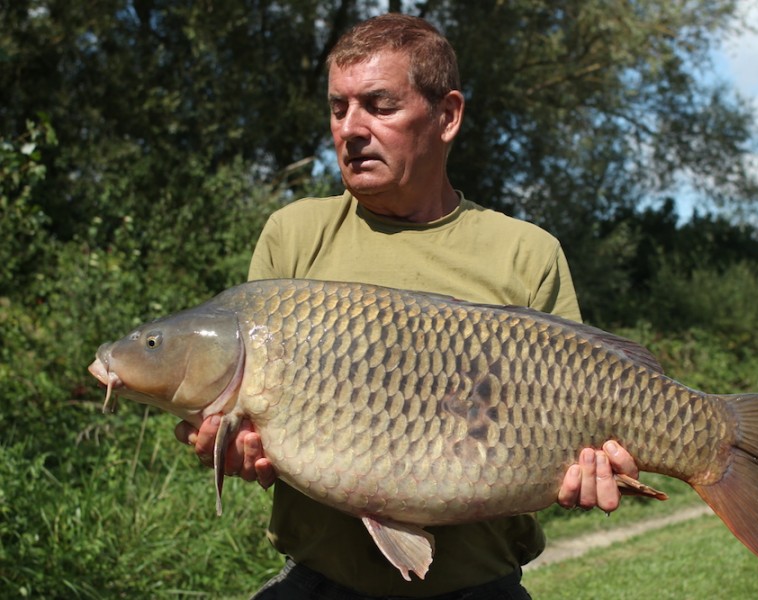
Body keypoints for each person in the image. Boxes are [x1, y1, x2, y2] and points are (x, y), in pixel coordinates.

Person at [175, 13, 639, 599]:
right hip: (322, 579)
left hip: (478, 584)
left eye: (379, 105)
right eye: (338, 108)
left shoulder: (526, 253)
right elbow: (250, 420)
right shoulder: (293, 236)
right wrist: (231, 441)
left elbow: (587, 414)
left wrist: (597, 467)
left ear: (447, 116)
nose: (351, 128)